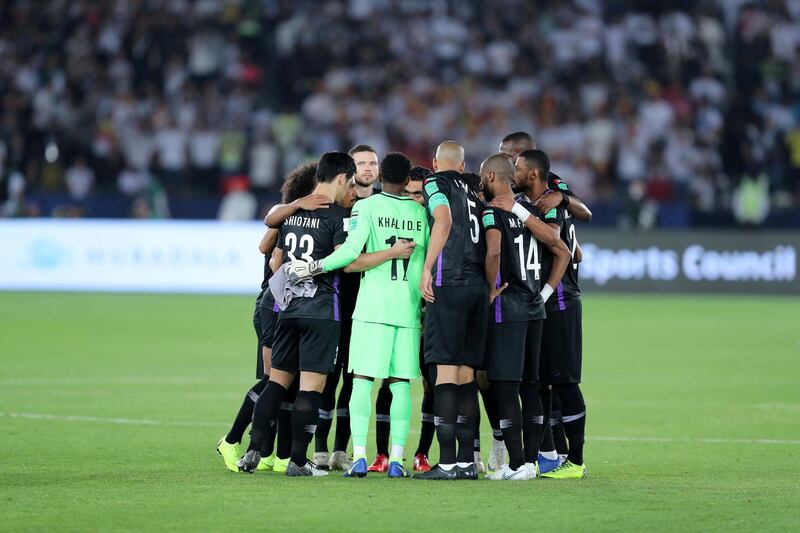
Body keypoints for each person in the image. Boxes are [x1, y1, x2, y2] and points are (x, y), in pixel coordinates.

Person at [285, 152, 429, 478]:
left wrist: (315, 266)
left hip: (371, 308)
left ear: (380, 179)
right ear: (408, 181)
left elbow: (350, 255)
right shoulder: (421, 214)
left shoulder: (366, 207)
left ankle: (360, 456)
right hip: (406, 309)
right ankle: (395, 460)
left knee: (361, 380)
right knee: (401, 385)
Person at [239, 152, 354, 477]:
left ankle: (253, 450)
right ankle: (299, 461)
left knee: (276, 382)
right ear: (343, 179)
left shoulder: (293, 212)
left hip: (288, 308)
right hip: (321, 310)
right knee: (310, 390)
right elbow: (343, 261)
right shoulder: (339, 216)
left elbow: (274, 258)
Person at [215, 162, 317, 473]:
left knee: (289, 382)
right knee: (275, 380)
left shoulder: (305, 221)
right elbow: (270, 254)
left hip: (287, 306)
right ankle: (232, 440)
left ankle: (279, 454)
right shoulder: (288, 216)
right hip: (275, 306)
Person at [481, 153, 571, 479]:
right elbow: (563, 250)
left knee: (505, 386)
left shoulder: (493, 212)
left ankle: (516, 464)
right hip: (535, 310)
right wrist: (545, 293)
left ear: (492, 177)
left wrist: (491, 289)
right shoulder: (534, 211)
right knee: (532, 386)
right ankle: (531, 463)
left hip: (509, 308)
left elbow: (493, 251)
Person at [511, 149, 588, 479]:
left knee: (565, 382)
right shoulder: (541, 198)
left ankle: (577, 461)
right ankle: (551, 454)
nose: (510, 170)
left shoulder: (550, 198)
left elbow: (564, 247)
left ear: (532, 173)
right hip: (548, 304)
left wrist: (544, 292)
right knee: (545, 381)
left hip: (561, 301)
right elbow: (579, 253)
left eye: (514, 165)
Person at [415, 141, 487, 481]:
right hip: (477, 288)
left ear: (435, 163)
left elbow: (442, 221)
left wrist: (427, 267)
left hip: (451, 284)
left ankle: (445, 464)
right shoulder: (474, 190)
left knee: (444, 373)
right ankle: (466, 462)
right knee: (466, 377)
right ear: (462, 165)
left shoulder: (434, 184)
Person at [404, 165, 436, 473]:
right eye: (410, 193)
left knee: (431, 386)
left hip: (429, 317)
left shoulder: (436, 223)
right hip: (400, 312)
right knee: (393, 381)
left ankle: (422, 452)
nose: (416, 199)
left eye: (420, 193)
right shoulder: (397, 221)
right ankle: (385, 453)